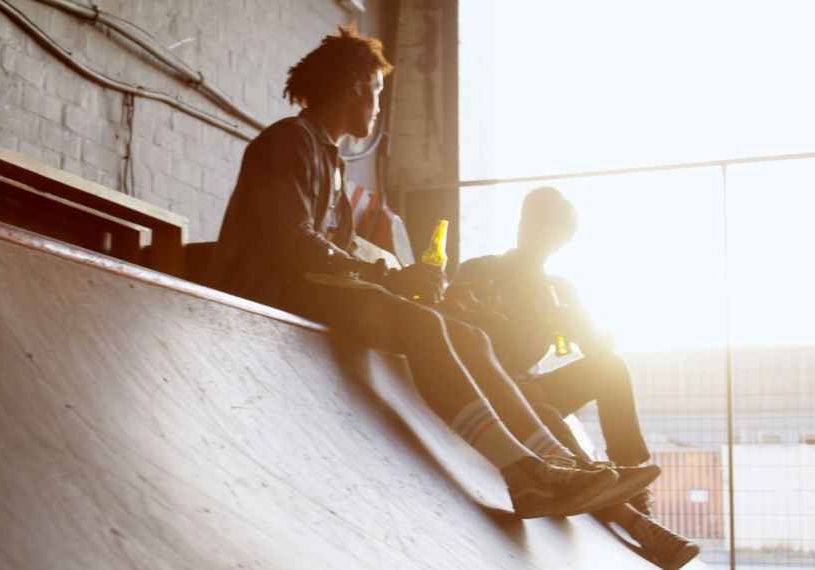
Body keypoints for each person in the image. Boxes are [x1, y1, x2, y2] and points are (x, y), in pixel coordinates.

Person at [206, 25, 654, 519]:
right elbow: (294, 244)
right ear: (356, 88)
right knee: (423, 326)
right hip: (267, 293)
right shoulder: (288, 141)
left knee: (466, 336)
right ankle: (526, 475)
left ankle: (554, 465)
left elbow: (334, 260)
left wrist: (419, 290)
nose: (378, 107)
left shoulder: (331, 161)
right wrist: (390, 280)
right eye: (376, 92)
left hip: (306, 288)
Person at [447, 187, 699, 568]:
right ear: (521, 224)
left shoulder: (559, 290)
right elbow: (452, 336)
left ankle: (636, 494)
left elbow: (600, 350)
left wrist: (582, 327)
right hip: (488, 387)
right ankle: (628, 515)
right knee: (545, 413)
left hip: (531, 386)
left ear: (560, 241)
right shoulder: (481, 271)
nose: (537, 237)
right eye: (533, 224)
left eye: (549, 232)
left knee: (610, 367)